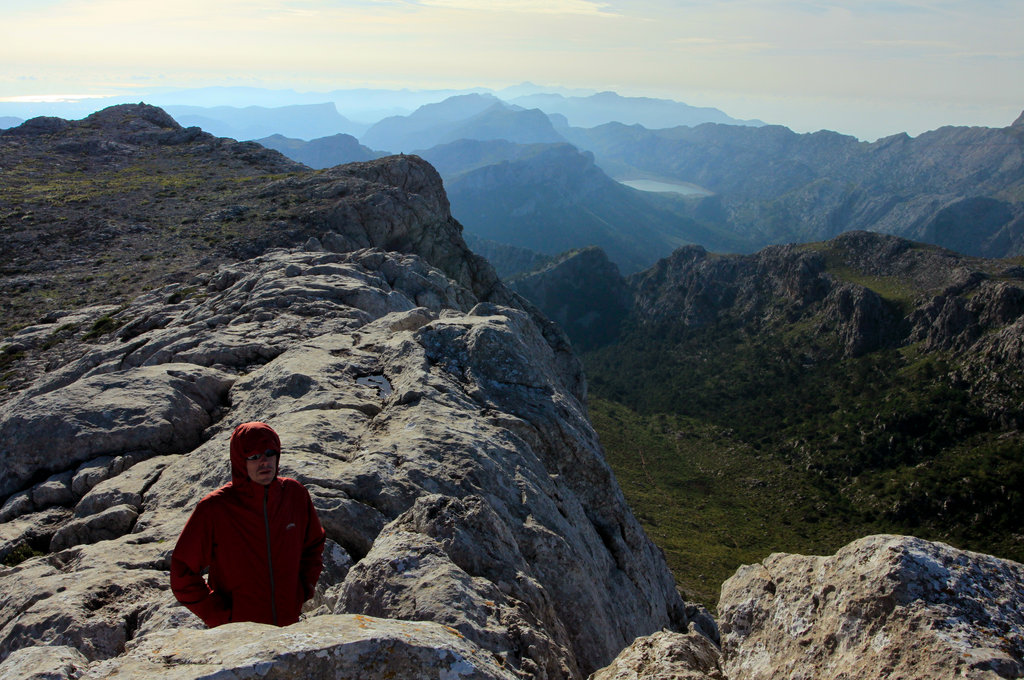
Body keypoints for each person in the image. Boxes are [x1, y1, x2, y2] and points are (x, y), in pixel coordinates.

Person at [170, 421, 325, 627]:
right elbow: (182, 570)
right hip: (238, 637)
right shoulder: (215, 508)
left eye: (270, 453)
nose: (264, 462)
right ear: (240, 461)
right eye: (254, 456)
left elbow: (313, 544)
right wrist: (219, 616)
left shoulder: (294, 495)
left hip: (288, 627)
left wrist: (304, 588)